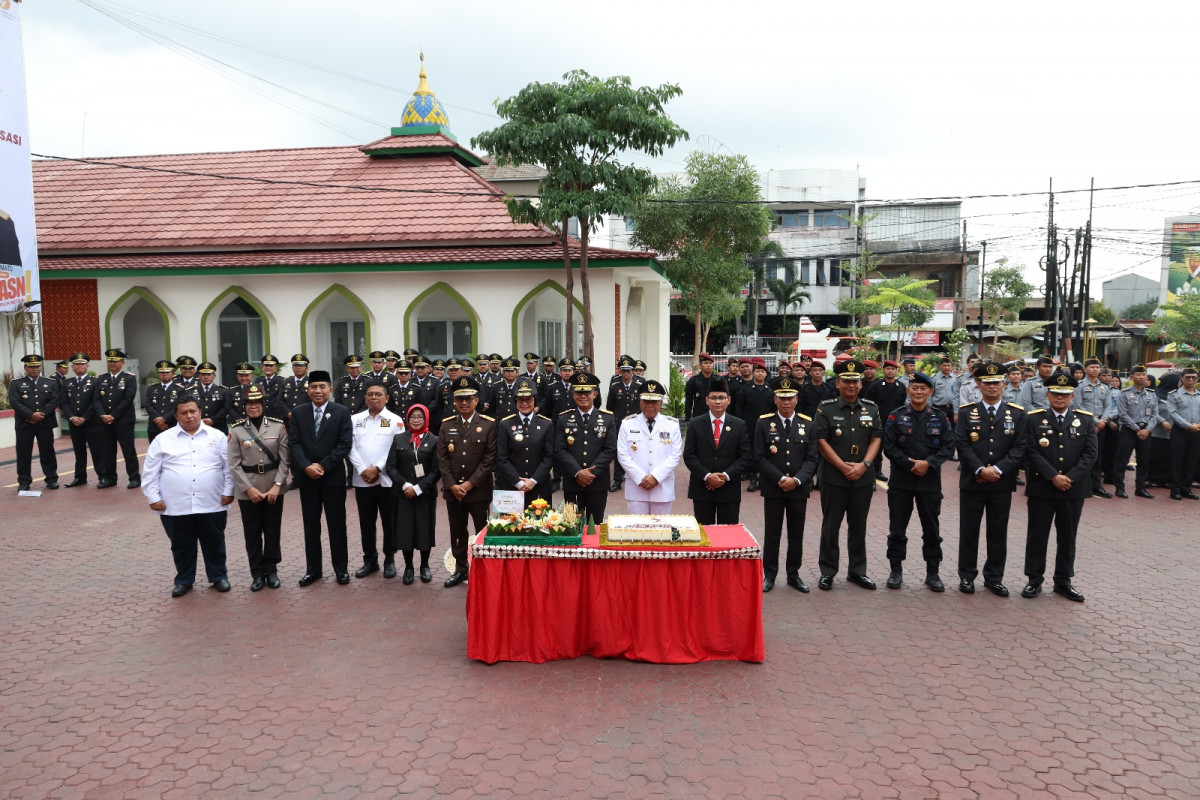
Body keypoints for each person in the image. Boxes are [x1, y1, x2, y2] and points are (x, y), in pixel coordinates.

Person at [141, 395, 234, 597]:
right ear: (176, 416)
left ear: (200, 412)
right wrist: (153, 497)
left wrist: (229, 491)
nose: (189, 416)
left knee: (215, 542)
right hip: (175, 505)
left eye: (193, 411)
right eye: (184, 413)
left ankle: (219, 576)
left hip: (212, 502)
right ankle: (184, 580)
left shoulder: (216, 436)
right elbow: (150, 473)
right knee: (181, 545)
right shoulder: (162, 440)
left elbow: (229, 468)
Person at [1022, 370, 1097, 602]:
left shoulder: (1085, 419)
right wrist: (1052, 476)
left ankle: (1063, 581)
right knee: (1038, 535)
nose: (1060, 398)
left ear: (1072, 397)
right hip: (1043, 487)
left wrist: (1070, 478)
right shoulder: (1033, 419)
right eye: (1055, 394)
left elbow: (1091, 453)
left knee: (1067, 536)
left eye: (1065, 395)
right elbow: (1030, 451)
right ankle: (1034, 579)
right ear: (1047, 395)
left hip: (1073, 489)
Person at [955, 361, 1028, 596]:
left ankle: (994, 577)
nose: (993, 386)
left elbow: (1020, 447)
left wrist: (998, 470)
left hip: (1001, 482)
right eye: (987, 382)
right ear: (978, 384)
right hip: (972, 481)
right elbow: (962, 444)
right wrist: (979, 470)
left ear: (1004, 384)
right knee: (969, 531)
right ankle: (967, 576)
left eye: (997, 382)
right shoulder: (967, 412)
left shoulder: (1016, 414)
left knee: (997, 532)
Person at [881, 371, 955, 591]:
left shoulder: (941, 417)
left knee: (931, 530)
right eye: (915, 388)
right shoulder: (896, 415)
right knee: (897, 529)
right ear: (908, 391)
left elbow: (948, 446)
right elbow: (889, 446)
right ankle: (896, 571)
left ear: (930, 391)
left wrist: (928, 463)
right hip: (901, 481)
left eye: (924, 388)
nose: (919, 392)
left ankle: (933, 573)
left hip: (929, 482)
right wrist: (910, 464)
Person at [814, 359, 883, 591]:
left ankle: (857, 571)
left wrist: (864, 464)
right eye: (846, 381)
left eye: (855, 381)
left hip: (863, 477)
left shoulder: (871, 408)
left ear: (861, 383)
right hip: (834, 476)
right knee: (831, 526)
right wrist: (844, 467)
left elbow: (876, 438)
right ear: (837, 383)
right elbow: (821, 441)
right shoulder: (826, 408)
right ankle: (828, 571)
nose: (851, 385)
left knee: (858, 525)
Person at [289, 370, 355, 587]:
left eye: (322, 387)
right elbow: (294, 443)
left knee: (337, 526)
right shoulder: (298, 412)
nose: (318, 391)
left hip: (332, 478)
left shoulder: (341, 412)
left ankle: (341, 569)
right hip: (307, 480)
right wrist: (306, 466)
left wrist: (323, 465)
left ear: (330, 390)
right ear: (308, 390)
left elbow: (344, 444)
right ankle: (313, 570)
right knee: (311, 526)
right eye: (313, 387)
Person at [754, 377, 820, 593]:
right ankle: (769, 574)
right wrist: (780, 479)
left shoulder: (807, 424)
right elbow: (759, 457)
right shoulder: (763, 423)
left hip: (799, 489)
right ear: (775, 399)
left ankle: (794, 574)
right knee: (772, 533)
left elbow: (812, 459)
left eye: (790, 398)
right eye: (782, 398)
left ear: (796, 399)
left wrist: (797, 480)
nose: (786, 402)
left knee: (796, 533)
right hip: (774, 488)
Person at [227, 386, 290, 591]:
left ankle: (271, 570)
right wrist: (248, 489)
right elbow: (233, 464)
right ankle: (256, 573)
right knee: (252, 533)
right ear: (244, 406)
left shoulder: (278, 427)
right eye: (249, 404)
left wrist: (277, 486)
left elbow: (285, 460)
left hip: (273, 487)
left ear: (263, 404)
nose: (253, 407)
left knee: (272, 530)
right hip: (249, 490)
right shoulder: (236, 430)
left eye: (257, 403)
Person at [437, 376, 497, 587]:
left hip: (478, 491)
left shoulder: (488, 425)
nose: (464, 403)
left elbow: (489, 459)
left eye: (468, 399)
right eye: (460, 399)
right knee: (457, 532)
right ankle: (461, 569)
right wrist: (452, 485)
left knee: (482, 531)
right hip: (453, 491)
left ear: (477, 400)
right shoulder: (446, 425)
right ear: (454, 401)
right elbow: (442, 459)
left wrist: (469, 484)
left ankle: (483, 570)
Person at [349, 380, 404, 579]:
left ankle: (389, 558)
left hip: (387, 480)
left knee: (389, 522)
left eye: (378, 394)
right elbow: (350, 446)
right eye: (370, 394)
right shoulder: (355, 419)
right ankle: (370, 560)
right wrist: (363, 469)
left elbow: (397, 448)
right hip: (362, 479)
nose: (374, 397)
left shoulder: (396, 420)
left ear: (386, 398)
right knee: (366, 522)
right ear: (365, 398)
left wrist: (378, 468)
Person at [683, 377, 752, 525]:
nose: (718, 402)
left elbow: (745, 457)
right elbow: (689, 456)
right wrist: (707, 476)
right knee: (704, 535)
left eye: (722, 398)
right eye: (713, 398)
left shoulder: (739, 425)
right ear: (707, 400)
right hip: (702, 488)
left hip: (728, 489)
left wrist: (725, 476)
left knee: (728, 537)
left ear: (729, 400)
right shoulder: (695, 424)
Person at [386, 404, 441, 584]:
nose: (416, 420)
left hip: (424, 494)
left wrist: (418, 488)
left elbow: (436, 470)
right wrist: (405, 486)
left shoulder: (434, 440)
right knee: (405, 531)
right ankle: (408, 567)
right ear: (407, 419)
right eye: (412, 417)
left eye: (420, 417)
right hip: (403, 494)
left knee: (424, 530)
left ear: (426, 419)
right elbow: (391, 466)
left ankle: (424, 565)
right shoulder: (399, 438)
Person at [556, 372, 618, 525]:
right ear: (573, 394)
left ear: (594, 394)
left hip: (597, 482)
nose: (582, 396)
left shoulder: (607, 418)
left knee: (594, 525)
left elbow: (610, 449)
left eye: (587, 392)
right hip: (573, 481)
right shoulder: (564, 419)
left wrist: (591, 474)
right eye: (578, 392)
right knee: (571, 525)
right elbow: (560, 449)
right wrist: (578, 473)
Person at [616, 379, 683, 514]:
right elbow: (623, 455)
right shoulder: (627, 424)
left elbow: (675, 455)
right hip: (636, 487)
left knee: (661, 531)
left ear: (661, 403)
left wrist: (656, 477)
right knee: (637, 531)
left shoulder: (672, 425)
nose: (650, 405)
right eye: (646, 401)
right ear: (640, 402)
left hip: (662, 487)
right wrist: (641, 478)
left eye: (654, 401)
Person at [496, 382, 556, 508]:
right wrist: (518, 483)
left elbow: (549, 456)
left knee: (540, 526)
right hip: (512, 488)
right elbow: (502, 458)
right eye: (520, 400)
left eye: (529, 399)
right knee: (511, 526)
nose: (524, 404)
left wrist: (533, 481)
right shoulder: (505, 424)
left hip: (539, 487)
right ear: (515, 401)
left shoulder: (546, 424)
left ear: (535, 400)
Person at [9, 353, 61, 491]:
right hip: (25, 423)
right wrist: (31, 415)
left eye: (37, 366)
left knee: (47, 451)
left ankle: (51, 479)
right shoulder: (16, 383)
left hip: (45, 423)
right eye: (31, 366)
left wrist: (41, 414)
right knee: (23, 453)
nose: (34, 369)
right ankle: (24, 481)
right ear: (26, 367)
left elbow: (55, 400)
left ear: (41, 366)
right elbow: (14, 402)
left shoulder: (50, 382)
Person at [92, 348, 140, 489]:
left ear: (122, 363)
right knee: (107, 450)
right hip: (105, 421)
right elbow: (96, 400)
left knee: (128, 450)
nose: (112, 363)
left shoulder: (129, 378)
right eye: (110, 361)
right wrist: (103, 415)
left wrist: (113, 415)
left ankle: (134, 477)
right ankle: (110, 478)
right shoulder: (102, 378)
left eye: (116, 361)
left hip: (123, 420)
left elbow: (128, 399)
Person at [1113, 365, 1161, 499]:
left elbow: (1155, 415)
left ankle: (1140, 488)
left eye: (1143, 374)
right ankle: (1120, 488)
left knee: (1144, 460)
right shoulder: (1124, 393)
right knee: (1122, 460)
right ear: (1131, 377)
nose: (1141, 377)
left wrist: (1147, 429)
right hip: (1129, 430)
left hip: (1146, 430)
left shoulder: (1151, 394)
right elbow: (1122, 414)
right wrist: (1136, 429)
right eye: (1138, 374)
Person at [1071, 357, 1114, 498]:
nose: (1095, 369)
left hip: (1101, 426)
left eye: (1097, 367)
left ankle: (1096, 486)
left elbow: (1108, 406)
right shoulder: (1079, 386)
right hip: (1083, 424)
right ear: (1085, 369)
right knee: (1081, 455)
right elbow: (1078, 406)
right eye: (1092, 367)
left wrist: (1102, 421)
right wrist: (1095, 421)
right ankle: (1080, 484)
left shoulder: (1104, 387)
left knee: (1097, 456)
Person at [605, 355, 645, 492]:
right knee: (619, 452)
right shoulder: (615, 386)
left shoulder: (640, 386)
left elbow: (643, 405)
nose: (626, 374)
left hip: (636, 423)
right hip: (619, 424)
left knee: (638, 449)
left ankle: (638, 477)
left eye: (628, 371)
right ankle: (617, 480)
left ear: (633, 371)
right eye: (623, 371)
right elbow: (609, 407)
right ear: (620, 372)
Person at [736, 358, 775, 492]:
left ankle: (764, 478)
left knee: (766, 452)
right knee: (752, 452)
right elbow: (739, 409)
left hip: (768, 427)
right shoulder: (745, 389)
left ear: (766, 374)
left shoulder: (770, 391)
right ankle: (753, 478)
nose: (759, 374)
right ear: (754, 372)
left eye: (762, 372)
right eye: (757, 371)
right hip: (750, 426)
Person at [62, 352, 99, 488]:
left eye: (82, 364)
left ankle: (102, 476)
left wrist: (84, 417)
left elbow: (96, 402)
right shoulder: (67, 383)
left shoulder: (95, 382)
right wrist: (71, 417)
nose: (79, 366)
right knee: (79, 452)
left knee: (96, 451)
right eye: (76, 364)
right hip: (74, 423)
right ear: (72, 367)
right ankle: (80, 477)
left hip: (91, 423)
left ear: (87, 366)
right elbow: (64, 402)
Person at [1166, 366, 1200, 500]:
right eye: (1187, 377)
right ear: (1182, 378)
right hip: (1180, 431)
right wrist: (1187, 426)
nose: (1190, 380)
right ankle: (1175, 489)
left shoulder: (1199, 396)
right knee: (1177, 461)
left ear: (1197, 379)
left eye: (1193, 377)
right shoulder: (1174, 394)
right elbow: (1173, 413)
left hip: (1197, 431)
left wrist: (1197, 426)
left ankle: (1186, 488)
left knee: (1192, 461)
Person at [144, 360, 179, 443]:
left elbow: (178, 407)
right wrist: (158, 419)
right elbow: (148, 405)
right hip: (154, 426)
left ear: (173, 373)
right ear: (158, 374)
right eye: (162, 372)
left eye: (167, 372)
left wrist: (164, 419)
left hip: (171, 425)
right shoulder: (152, 388)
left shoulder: (179, 389)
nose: (164, 374)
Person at [193, 361, 231, 434]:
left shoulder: (223, 391)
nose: (206, 377)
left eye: (209, 374)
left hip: (218, 426)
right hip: (197, 426)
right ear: (198, 376)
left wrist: (213, 419)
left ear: (214, 376)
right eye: (203, 374)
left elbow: (226, 408)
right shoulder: (191, 391)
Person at [683, 353, 716, 421]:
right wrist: (688, 418)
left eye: (710, 363)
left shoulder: (719, 380)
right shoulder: (693, 381)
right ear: (700, 365)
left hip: (716, 416)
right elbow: (689, 401)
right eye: (706, 363)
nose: (708, 365)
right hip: (699, 416)